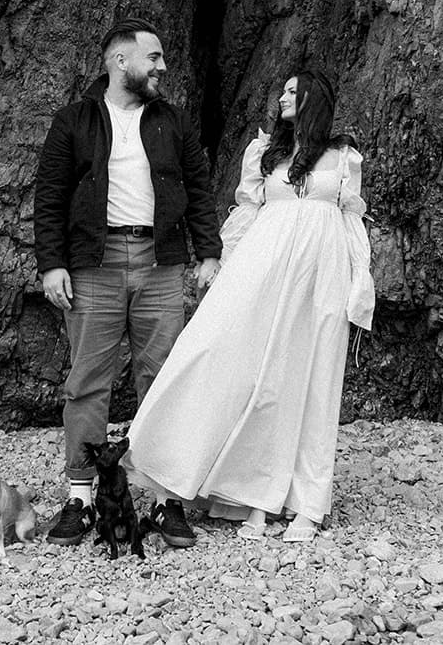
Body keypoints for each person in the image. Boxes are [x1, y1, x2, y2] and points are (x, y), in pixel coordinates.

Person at [126, 70, 374, 543]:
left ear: (313, 99)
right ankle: (251, 494)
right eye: (281, 89)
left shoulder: (344, 157)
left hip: (320, 276)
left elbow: (351, 220)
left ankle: (307, 504)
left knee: (314, 379)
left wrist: (358, 286)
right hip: (263, 272)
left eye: (292, 91)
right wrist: (226, 272)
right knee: (249, 371)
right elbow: (246, 214)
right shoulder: (265, 153)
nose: (281, 97)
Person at [33, 17, 223, 548]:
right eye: (153, 58)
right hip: (93, 263)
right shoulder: (73, 121)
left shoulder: (174, 122)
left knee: (162, 379)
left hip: (161, 262)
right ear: (121, 61)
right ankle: (81, 499)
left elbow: (199, 189)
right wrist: (52, 263)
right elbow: (49, 194)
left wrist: (208, 252)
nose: (162, 67)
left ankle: (166, 501)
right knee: (87, 380)